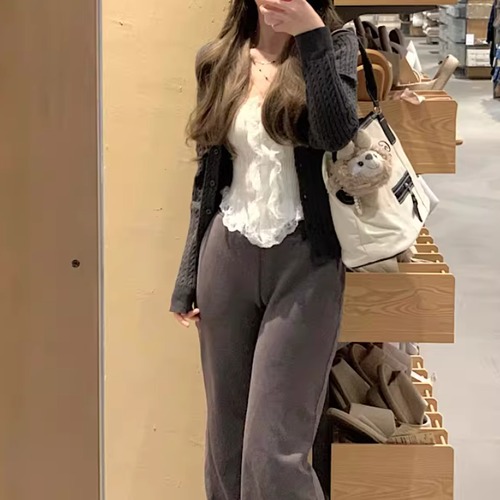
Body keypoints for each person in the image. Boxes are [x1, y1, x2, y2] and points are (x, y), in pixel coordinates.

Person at [171, 0, 358, 498]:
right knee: (226, 443)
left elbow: (336, 134)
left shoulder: (334, 44)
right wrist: (188, 275)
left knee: (274, 451)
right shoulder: (217, 58)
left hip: (305, 261)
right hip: (225, 255)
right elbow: (207, 177)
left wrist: (312, 36)